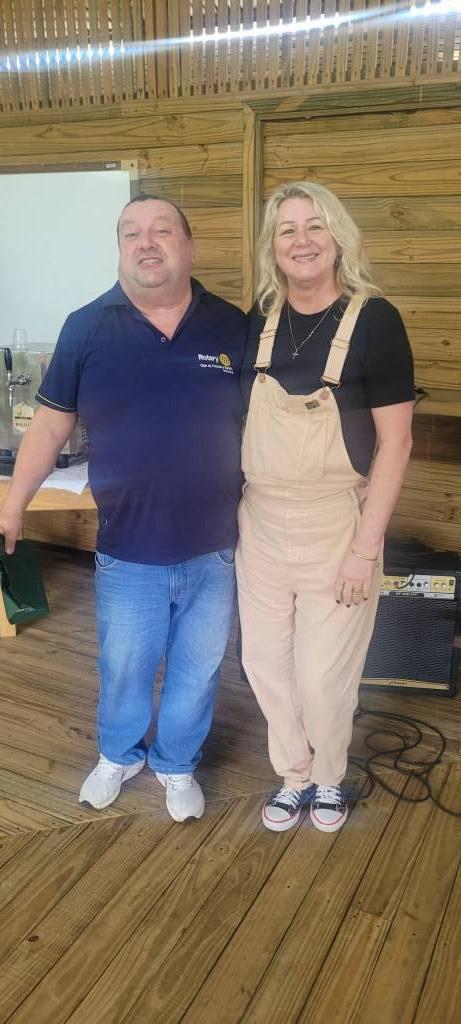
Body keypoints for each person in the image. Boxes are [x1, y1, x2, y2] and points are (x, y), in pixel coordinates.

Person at [0, 194, 246, 822]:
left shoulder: (232, 326)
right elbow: (50, 425)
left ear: (189, 247)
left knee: (198, 670)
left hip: (216, 548)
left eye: (162, 231)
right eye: (131, 233)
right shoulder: (86, 327)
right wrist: (13, 503)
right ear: (119, 249)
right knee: (125, 667)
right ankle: (119, 754)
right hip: (128, 549)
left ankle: (177, 764)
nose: (147, 243)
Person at [237, 181, 414, 834]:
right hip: (259, 521)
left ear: (338, 238)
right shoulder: (259, 318)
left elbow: (397, 444)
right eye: (287, 229)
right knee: (264, 664)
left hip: (337, 525)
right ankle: (293, 775)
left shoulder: (375, 321)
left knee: (320, 677)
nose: (302, 240)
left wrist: (364, 550)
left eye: (315, 226)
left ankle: (330, 776)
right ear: (272, 247)